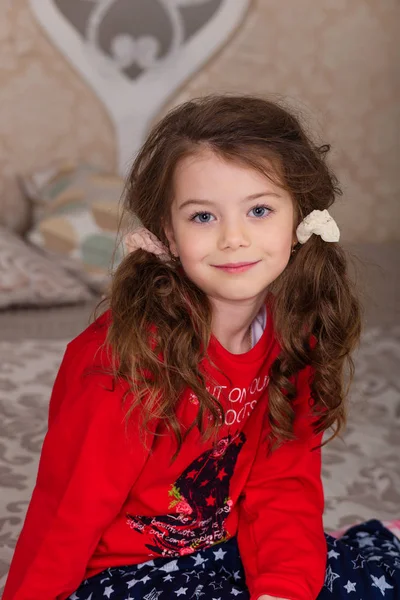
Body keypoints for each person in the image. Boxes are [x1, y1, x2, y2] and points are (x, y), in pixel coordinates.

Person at [3, 95, 399, 600]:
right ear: (168, 230)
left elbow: (282, 486)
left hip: (227, 553)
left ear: (299, 217)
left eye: (259, 210)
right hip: (127, 575)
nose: (234, 238)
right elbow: (68, 510)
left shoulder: (294, 337)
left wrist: (280, 591)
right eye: (203, 217)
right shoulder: (118, 360)